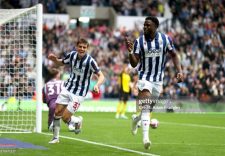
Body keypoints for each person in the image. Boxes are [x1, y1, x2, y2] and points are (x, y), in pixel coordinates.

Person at [125, 16, 183, 149]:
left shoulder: (165, 39)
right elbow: (134, 63)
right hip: (144, 78)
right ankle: (146, 139)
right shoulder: (139, 41)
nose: (145, 27)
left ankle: (136, 120)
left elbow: (174, 55)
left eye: (148, 25)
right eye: (144, 25)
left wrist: (179, 71)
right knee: (145, 107)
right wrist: (130, 52)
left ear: (156, 26)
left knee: (147, 109)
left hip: (158, 80)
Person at [48, 38, 105, 144]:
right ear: (76, 47)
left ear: (87, 48)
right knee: (57, 112)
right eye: (80, 47)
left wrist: (97, 85)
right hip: (68, 87)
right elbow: (62, 63)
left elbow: (101, 76)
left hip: (79, 93)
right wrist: (55, 60)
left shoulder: (90, 61)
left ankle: (78, 120)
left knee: (65, 117)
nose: (82, 49)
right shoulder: (72, 55)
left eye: (84, 47)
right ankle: (55, 138)